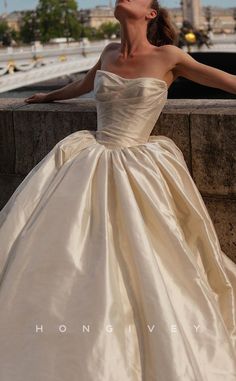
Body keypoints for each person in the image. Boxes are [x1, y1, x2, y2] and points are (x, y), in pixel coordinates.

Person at [1, 0, 236, 380]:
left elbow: (225, 81)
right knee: (71, 253)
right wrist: (48, 97)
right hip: (90, 157)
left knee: (146, 257)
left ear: (151, 14)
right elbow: (81, 85)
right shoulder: (109, 51)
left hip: (138, 165)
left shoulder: (169, 55)